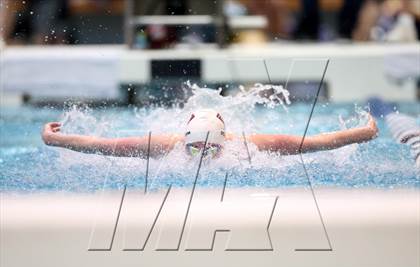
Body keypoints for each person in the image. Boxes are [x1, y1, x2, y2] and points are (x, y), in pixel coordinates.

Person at [42, 109, 378, 159]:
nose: (202, 157)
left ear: (226, 142)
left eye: (209, 150)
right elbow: (105, 146)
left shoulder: (251, 146)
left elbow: (314, 142)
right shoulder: (164, 146)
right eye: (194, 150)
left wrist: (361, 133)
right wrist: (55, 139)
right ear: (182, 140)